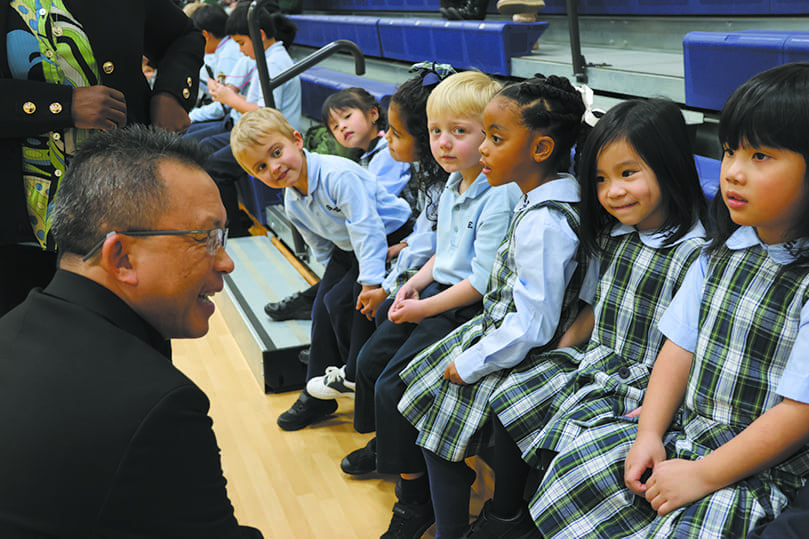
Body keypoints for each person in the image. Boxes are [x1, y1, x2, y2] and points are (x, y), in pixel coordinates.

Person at [530, 62, 809, 538]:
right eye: (729, 152)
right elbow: (678, 349)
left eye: (760, 156)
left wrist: (703, 475)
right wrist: (649, 434)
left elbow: (798, 413)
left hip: (755, 468)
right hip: (689, 435)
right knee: (575, 474)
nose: (733, 173)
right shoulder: (721, 255)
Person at [0, 125, 261, 538]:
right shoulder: (159, 407)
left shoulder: (13, 328)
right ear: (121, 256)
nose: (226, 261)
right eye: (206, 238)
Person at [395, 74, 595, 539]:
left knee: (435, 421)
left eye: (496, 138)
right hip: (506, 333)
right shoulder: (543, 199)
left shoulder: (545, 222)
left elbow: (534, 324)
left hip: (522, 347)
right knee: (416, 395)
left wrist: (471, 363)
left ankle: (464, 527)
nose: (483, 148)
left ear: (541, 149)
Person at [348, 70, 521, 539]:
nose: (443, 143)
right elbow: (444, 252)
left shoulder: (499, 193)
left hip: (464, 309)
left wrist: (422, 308)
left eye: (459, 132)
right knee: (368, 362)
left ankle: (414, 498)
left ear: (490, 135)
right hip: (437, 294)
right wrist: (414, 284)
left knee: (393, 385)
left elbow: (480, 283)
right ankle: (390, 446)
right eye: (435, 131)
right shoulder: (453, 182)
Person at [0, 0, 204, 317]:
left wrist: (171, 94)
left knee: (134, 339)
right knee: (21, 341)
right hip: (17, 236)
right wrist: (62, 105)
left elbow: (183, 35)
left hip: (127, 216)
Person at [229, 107, 413, 432]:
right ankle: (318, 395)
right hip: (349, 248)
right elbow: (322, 246)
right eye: (261, 167)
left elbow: (367, 228)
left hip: (389, 235)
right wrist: (332, 281)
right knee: (323, 305)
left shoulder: (337, 176)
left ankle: (355, 378)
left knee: (348, 302)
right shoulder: (292, 200)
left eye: (276, 153)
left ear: (297, 140)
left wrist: (369, 282)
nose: (274, 167)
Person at [306, 65, 454, 412]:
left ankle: (355, 375)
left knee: (364, 298)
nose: (389, 138)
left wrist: (387, 283)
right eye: (334, 125)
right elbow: (430, 230)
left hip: (421, 254)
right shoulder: (431, 173)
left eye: (397, 133)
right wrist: (403, 250)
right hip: (409, 245)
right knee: (336, 297)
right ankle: (350, 373)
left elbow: (438, 239)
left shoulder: (437, 175)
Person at [185, 0, 301, 237]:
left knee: (214, 166)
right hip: (257, 132)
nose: (240, 50)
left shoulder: (275, 63)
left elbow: (268, 115)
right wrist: (230, 95)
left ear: (259, 35)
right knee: (201, 147)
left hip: (270, 138)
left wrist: (230, 98)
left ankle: (234, 229)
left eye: (241, 43)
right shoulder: (266, 59)